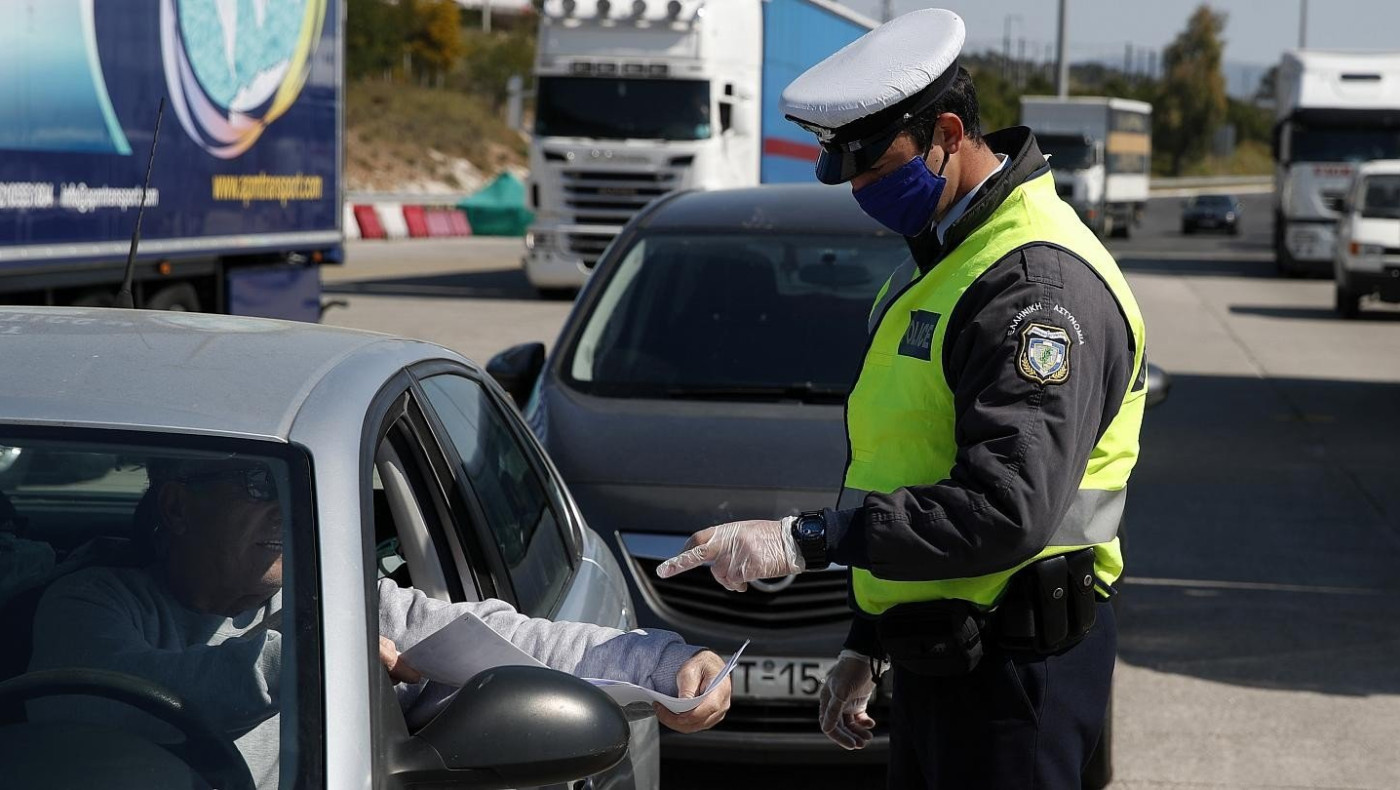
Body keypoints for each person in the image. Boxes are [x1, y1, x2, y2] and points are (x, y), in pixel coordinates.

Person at [655, 9, 1146, 789]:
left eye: (874, 167)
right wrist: (869, 639)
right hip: (942, 659)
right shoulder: (948, 259)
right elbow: (912, 463)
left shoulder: (1033, 288)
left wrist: (806, 540)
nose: (859, 190)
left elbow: (1005, 508)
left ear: (948, 132)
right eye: (846, 170)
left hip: (1016, 679)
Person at [29, 457, 730, 789]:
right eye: (254, 487)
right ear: (178, 508)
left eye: (288, 490)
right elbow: (102, 701)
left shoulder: (334, 595)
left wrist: (667, 666)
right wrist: (307, 657)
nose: (285, 511)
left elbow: (504, 636)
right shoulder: (93, 600)